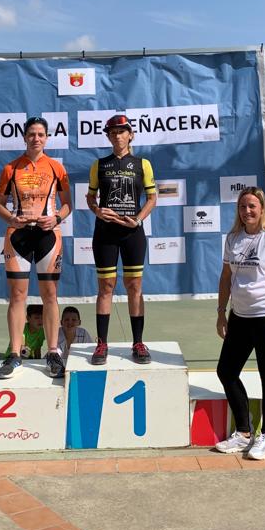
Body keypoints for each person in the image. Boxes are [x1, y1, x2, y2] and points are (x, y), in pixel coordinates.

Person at [214, 186, 265, 461]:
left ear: (262, 209)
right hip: (239, 318)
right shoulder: (233, 237)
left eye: (252, 206)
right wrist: (221, 312)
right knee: (226, 371)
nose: (247, 211)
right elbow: (226, 277)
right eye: (242, 206)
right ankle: (244, 432)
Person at [0, 116, 72, 380]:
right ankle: (15, 354)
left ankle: (52, 352)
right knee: (17, 296)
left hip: (48, 236)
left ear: (46, 138)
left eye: (40, 134)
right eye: (31, 134)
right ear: (25, 137)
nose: (36, 138)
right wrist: (11, 218)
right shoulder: (10, 168)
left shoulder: (56, 167)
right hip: (18, 236)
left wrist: (57, 218)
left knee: (50, 294)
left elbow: (67, 204)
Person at [85, 113, 157, 365]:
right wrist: (96, 210)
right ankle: (102, 343)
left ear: (131, 134)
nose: (117, 136)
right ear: (108, 136)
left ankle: (137, 342)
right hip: (105, 232)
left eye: (122, 131)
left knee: (134, 286)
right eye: (112, 132)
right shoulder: (99, 164)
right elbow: (90, 197)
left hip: (131, 231)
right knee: (105, 287)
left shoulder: (142, 164)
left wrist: (137, 219)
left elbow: (152, 199)